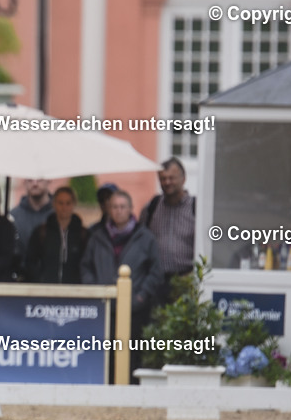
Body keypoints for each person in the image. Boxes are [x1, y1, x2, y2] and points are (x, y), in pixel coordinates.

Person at [81, 190, 163, 378]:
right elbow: (86, 267)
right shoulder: (97, 237)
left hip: (135, 311)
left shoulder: (145, 238)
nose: (118, 211)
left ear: (130, 209)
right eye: (114, 207)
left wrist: (141, 296)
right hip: (104, 310)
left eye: (122, 207)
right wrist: (95, 290)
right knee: (104, 356)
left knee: (132, 355)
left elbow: (155, 272)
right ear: (108, 210)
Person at [141, 157, 195, 300]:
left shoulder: (195, 208)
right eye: (163, 179)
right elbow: (141, 242)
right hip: (156, 283)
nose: (167, 182)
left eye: (172, 178)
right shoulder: (151, 208)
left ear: (183, 179)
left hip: (186, 281)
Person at [24, 186, 87, 284]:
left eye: (68, 203)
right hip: (46, 287)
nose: (64, 208)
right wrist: (39, 280)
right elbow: (30, 261)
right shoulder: (41, 232)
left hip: (75, 289)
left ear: (74, 204)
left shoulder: (83, 234)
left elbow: (87, 263)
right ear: (54, 204)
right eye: (60, 203)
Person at [11, 178, 53, 275]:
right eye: (30, 180)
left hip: (51, 278)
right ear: (24, 182)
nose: (35, 184)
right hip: (20, 276)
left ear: (48, 180)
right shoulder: (13, 217)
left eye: (40, 179)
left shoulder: (58, 216)